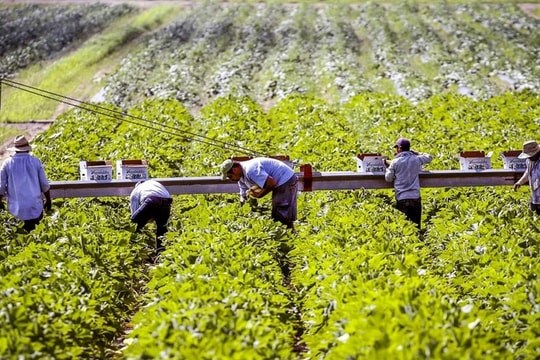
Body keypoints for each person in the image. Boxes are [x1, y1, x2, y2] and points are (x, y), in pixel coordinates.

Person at [220, 157, 298, 229]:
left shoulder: (250, 170)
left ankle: (289, 234)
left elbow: (271, 183)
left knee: (281, 210)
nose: (230, 179)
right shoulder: (240, 177)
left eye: (230, 176)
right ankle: (288, 233)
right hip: (278, 180)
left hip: (285, 178)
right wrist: (243, 210)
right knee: (277, 212)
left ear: (235, 170)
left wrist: (261, 194)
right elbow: (243, 195)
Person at [0, 135, 51, 232]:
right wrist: (48, 200)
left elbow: (1, 187)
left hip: (16, 211)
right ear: (27, 148)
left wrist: (0, 202)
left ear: (15, 149)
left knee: (19, 241)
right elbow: (44, 185)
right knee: (36, 238)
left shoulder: (7, 163)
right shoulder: (35, 162)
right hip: (35, 208)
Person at [384, 137, 432, 228]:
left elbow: (388, 178)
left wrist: (388, 167)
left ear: (399, 148)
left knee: (405, 228)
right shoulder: (416, 159)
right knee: (416, 227)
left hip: (402, 198)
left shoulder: (395, 162)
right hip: (415, 197)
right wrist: (417, 153)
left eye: (397, 148)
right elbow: (429, 157)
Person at [130, 179, 173, 253]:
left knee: (134, 225)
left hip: (151, 201)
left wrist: (139, 222)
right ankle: (161, 253)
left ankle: (133, 249)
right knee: (162, 228)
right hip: (167, 201)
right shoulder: (154, 183)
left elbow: (135, 215)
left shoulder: (135, 191)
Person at [513, 140, 540, 215]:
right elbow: (528, 172)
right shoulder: (529, 161)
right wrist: (519, 182)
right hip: (536, 195)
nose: (529, 157)